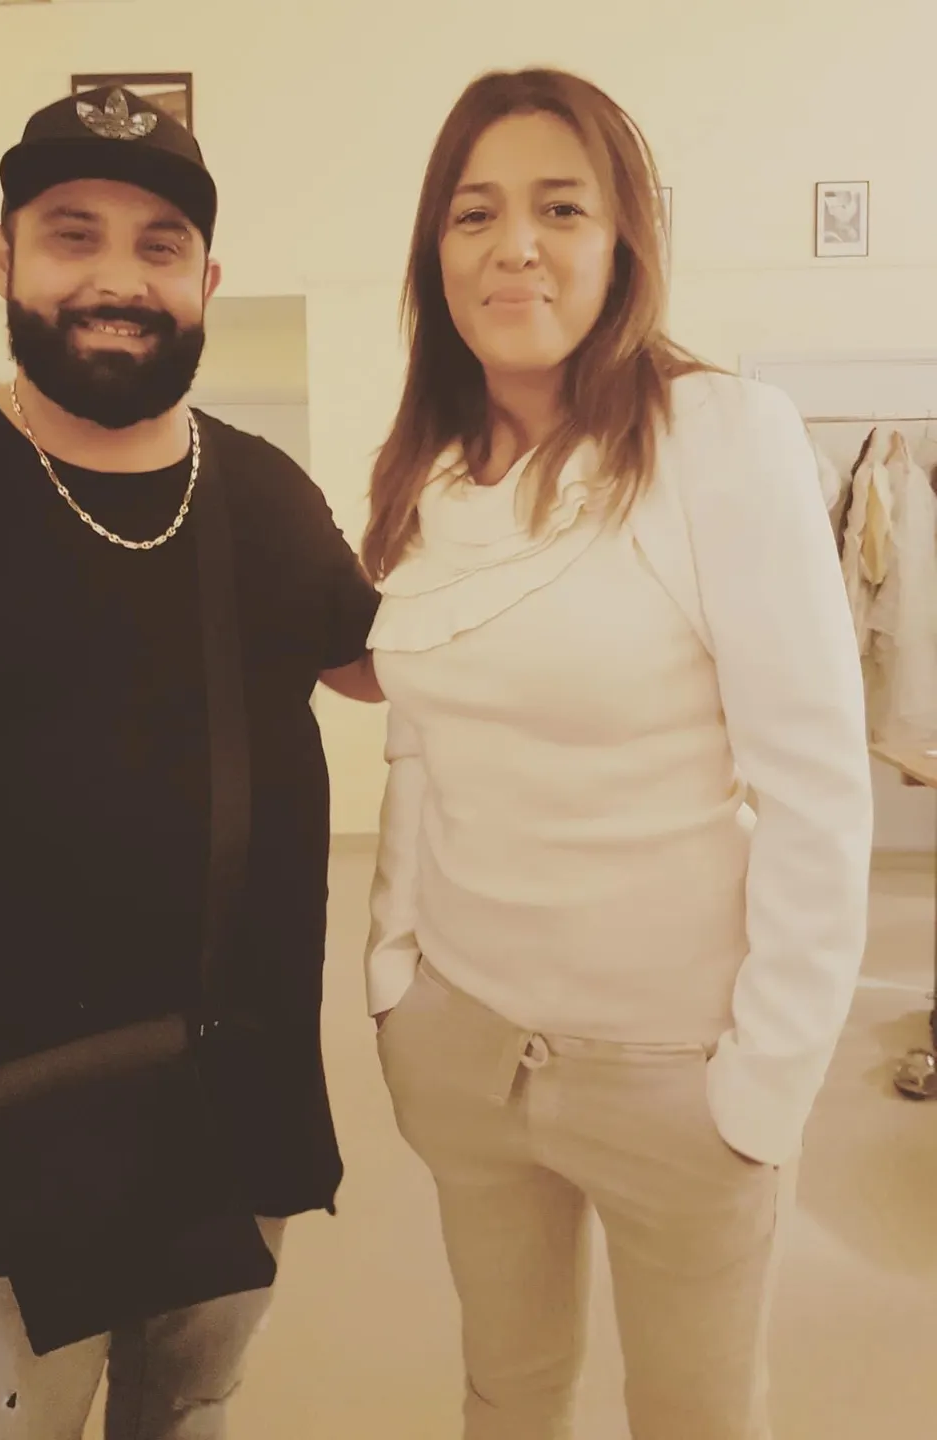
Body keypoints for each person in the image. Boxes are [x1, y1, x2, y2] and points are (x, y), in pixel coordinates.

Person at [0, 85, 380, 1439]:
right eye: (72, 234)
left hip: (237, 1090)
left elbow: (390, 663)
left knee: (189, 1410)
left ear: (207, 281)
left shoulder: (267, 493)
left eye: (160, 244)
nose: (118, 278)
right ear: (2, 256)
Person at [363, 68, 872, 1440]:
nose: (514, 246)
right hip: (466, 1040)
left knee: (694, 1417)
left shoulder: (717, 435)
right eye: (475, 213)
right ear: (436, 252)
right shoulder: (428, 468)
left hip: (675, 1067)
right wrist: (395, 975)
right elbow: (422, 737)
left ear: (624, 242)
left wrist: (762, 1088)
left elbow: (817, 786)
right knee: (506, 1395)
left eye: (561, 209)